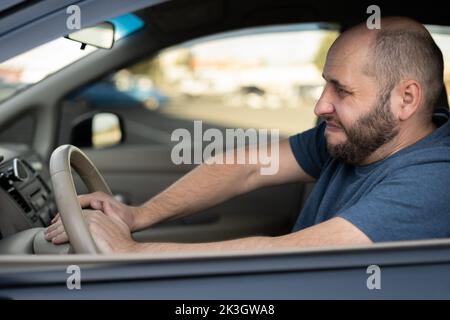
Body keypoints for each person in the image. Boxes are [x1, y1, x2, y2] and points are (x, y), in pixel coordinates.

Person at [45, 17, 450, 253]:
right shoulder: (355, 140)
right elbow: (247, 167)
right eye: (324, 85)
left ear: (406, 99)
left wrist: (134, 252)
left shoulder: (434, 179)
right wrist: (135, 215)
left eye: (341, 90)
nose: (320, 106)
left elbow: (291, 255)